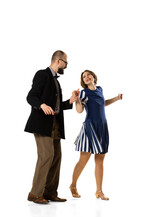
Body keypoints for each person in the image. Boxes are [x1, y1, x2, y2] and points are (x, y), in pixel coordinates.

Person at [25, 50, 79, 204]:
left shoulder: (56, 81)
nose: (66, 66)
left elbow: (56, 107)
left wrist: (70, 101)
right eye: (66, 62)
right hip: (42, 124)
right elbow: (31, 96)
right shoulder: (42, 74)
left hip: (55, 125)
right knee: (46, 156)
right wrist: (41, 105)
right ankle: (35, 193)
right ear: (58, 60)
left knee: (56, 157)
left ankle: (49, 192)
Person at [69, 70, 122, 200]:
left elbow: (102, 103)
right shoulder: (83, 93)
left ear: (93, 76)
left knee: (100, 160)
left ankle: (99, 191)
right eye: (84, 77)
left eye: (88, 75)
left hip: (102, 127)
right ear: (83, 81)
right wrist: (76, 99)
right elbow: (79, 110)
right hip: (90, 128)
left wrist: (116, 98)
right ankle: (73, 185)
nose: (86, 77)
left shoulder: (100, 89)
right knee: (83, 160)